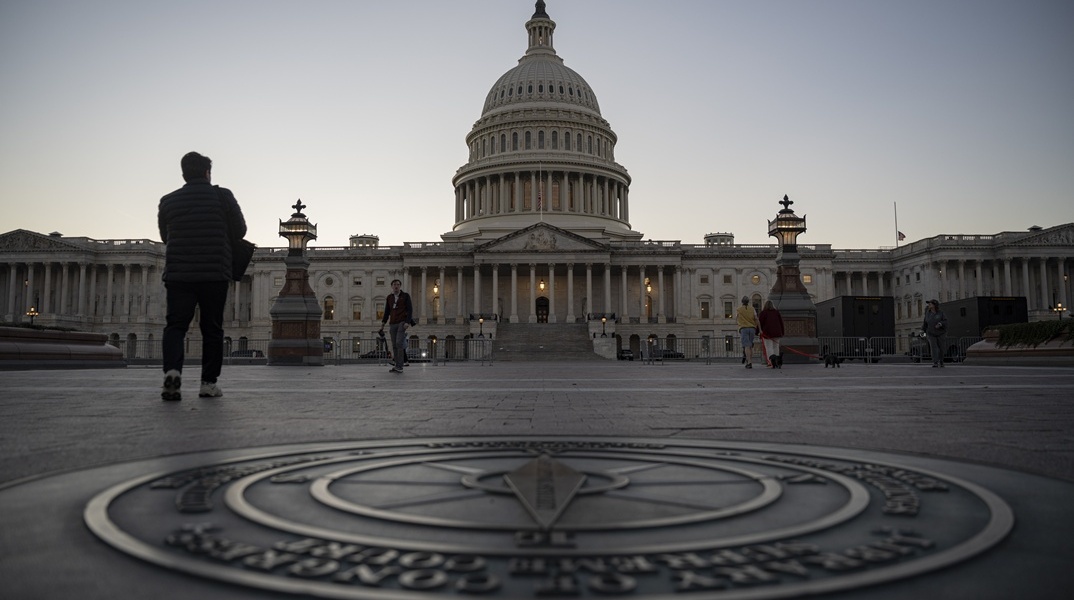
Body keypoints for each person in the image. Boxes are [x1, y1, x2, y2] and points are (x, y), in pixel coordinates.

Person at [157, 151, 246, 401]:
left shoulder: (168, 201)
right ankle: (208, 383)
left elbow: (166, 237)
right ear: (208, 172)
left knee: (175, 326)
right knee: (212, 328)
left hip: (179, 273)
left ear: (184, 174)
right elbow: (240, 230)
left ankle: (172, 371)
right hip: (214, 272)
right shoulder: (222, 196)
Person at [379, 279, 413, 373]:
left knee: (399, 343)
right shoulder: (389, 297)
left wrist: (407, 322)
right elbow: (387, 311)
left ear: (400, 286)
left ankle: (400, 366)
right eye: (394, 284)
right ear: (392, 286)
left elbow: (410, 310)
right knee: (394, 345)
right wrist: (383, 324)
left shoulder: (405, 296)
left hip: (402, 322)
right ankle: (396, 365)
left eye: (398, 284)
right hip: (392, 323)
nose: (396, 286)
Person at [922, 299, 949, 368]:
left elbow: (945, 321)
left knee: (941, 348)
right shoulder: (928, 313)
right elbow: (925, 323)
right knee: (933, 348)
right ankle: (935, 362)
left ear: (934, 305)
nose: (929, 305)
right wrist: (922, 331)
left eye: (930, 304)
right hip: (931, 333)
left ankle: (941, 361)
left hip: (941, 333)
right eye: (929, 304)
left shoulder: (941, 313)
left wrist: (940, 324)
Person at [735, 296, 760, 369]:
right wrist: (760, 329)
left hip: (743, 328)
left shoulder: (739, 309)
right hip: (752, 328)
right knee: (750, 346)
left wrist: (739, 323)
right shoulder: (752, 309)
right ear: (748, 302)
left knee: (746, 346)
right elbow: (756, 319)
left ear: (742, 302)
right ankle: (750, 360)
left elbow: (736, 319)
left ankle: (749, 362)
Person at [759, 300, 785, 368]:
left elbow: (760, 323)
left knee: (769, 347)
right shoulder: (776, 312)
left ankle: (771, 362)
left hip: (767, 333)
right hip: (777, 332)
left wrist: (757, 332)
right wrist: (782, 332)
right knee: (776, 347)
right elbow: (781, 322)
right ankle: (777, 361)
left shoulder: (763, 313)